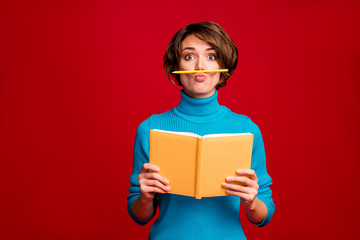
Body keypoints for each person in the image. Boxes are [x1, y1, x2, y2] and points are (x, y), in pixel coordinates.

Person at [127, 21, 275, 239]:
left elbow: (265, 214)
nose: (199, 66)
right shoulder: (149, 128)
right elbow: (139, 215)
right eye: (189, 56)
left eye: (211, 56)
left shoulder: (246, 129)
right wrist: (145, 197)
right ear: (175, 66)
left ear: (223, 67)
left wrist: (251, 202)